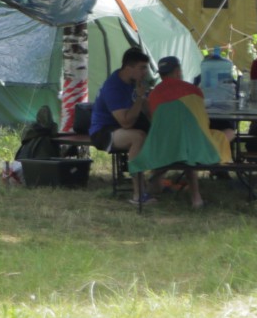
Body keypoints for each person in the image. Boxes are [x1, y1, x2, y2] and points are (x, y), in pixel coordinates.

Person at [128, 55, 236, 209]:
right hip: (195, 147)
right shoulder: (194, 90)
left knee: (180, 141)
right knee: (229, 132)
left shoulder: (154, 94)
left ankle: (156, 182)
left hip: (165, 148)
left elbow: (156, 123)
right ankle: (196, 197)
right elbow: (203, 121)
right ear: (178, 71)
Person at [89, 47, 153, 162]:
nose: (145, 72)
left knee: (160, 133)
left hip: (121, 127)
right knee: (139, 137)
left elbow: (148, 112)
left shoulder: (136, 82)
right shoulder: (113, 87)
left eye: (146, 68)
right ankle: (138, 179)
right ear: (128, 69)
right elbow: (126, 123)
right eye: (142, 68)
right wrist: (140, 98)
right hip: (103, 131)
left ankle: (156, 177)